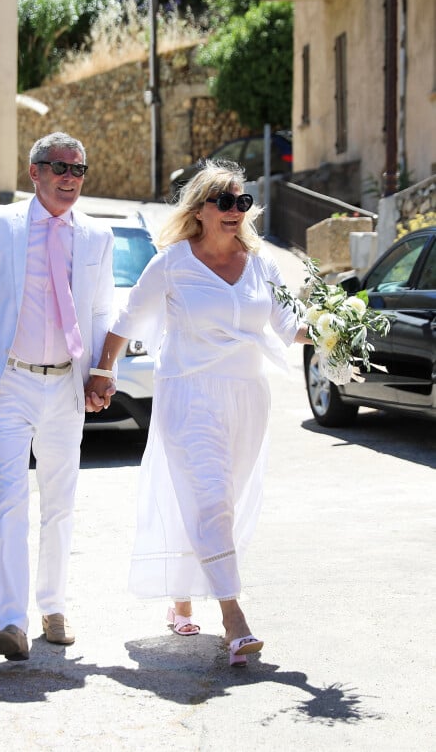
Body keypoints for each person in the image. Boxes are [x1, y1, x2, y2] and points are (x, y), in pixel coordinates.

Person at [85, 160, 311, 667]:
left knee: (221, 501)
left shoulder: (260, 264)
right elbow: (126, 321)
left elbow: (287, 326)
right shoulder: (171, 263)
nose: (235, 211)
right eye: (224, 202)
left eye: (242, 203)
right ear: (201, 209)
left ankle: (182, 595)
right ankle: (235, 618)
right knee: (210, 499)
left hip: (247, 397)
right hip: (189, 395)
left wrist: (335, 331)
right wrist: (103, 372)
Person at [0, 131, 115, 661]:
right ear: (34, 172)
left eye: (79, 170)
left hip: (66, 385)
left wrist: (102, 372)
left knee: (60, 501)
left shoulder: (98, 238)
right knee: (10, 498)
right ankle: (11, 621)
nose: (69, 178)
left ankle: (53, 606)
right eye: (59, 167)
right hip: (9, 382)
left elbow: (101, 313)